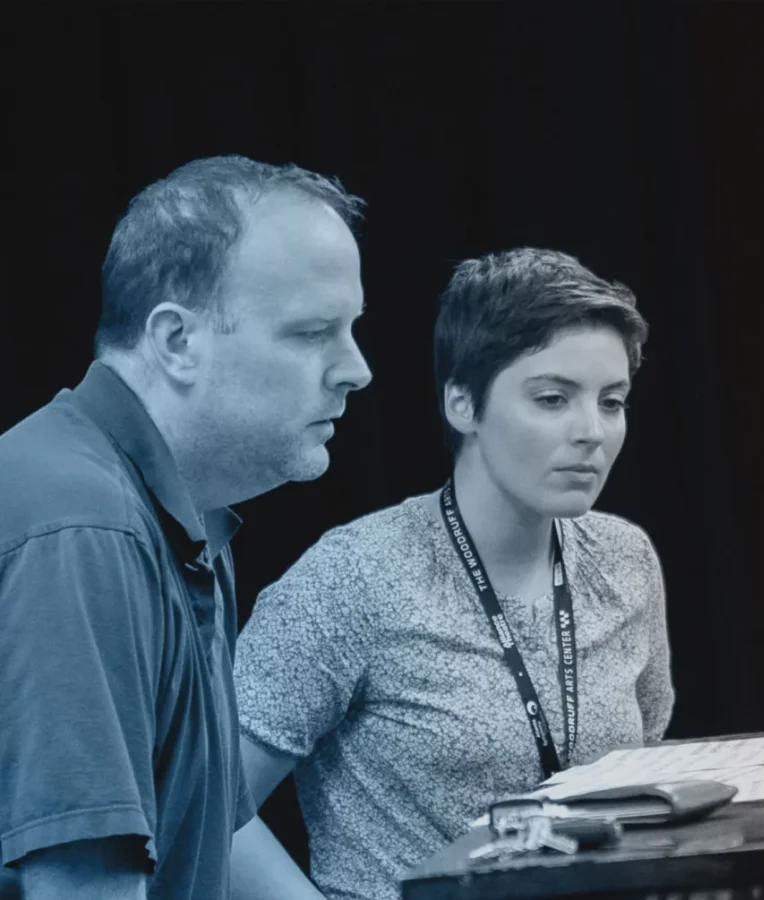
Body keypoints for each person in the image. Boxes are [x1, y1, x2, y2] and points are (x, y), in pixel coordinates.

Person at [230, 248, 674, 900]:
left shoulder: (625, 559)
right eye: (552, 398)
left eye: (612, 401)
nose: (591, 432)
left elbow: (647, 777)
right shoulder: (352, 578)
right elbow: (203, 807)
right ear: (462, 404)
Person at [0, 156, 372, 899]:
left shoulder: (179, 510)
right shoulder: (85, 530)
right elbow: (82, 890)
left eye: (351, 330)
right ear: (175, 342)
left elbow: (210, 825)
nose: (355, 369)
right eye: (311, 333)